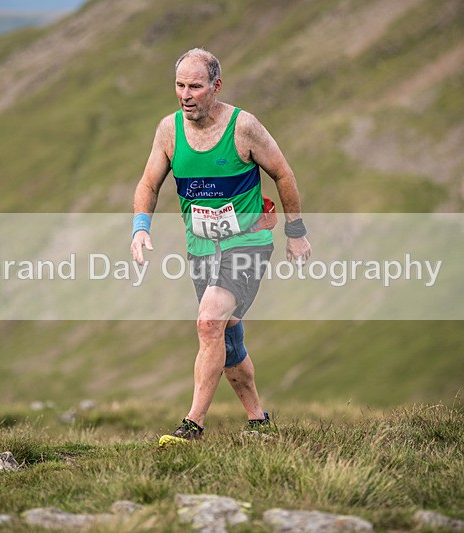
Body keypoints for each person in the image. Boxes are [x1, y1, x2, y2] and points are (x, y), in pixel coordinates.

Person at [130, 48, 311, 446]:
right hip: (201, 248)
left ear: (216, 86)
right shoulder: (168, 131)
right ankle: (259, 421)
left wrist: (295, 232)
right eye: (180, 85)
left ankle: (191, 426)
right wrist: (140, 228)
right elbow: (148, 184)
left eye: (195, 86)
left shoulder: (244, 127)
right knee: (227, 340)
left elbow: (282, 173)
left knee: (208, 321)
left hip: (248, 242)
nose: (185, 94)